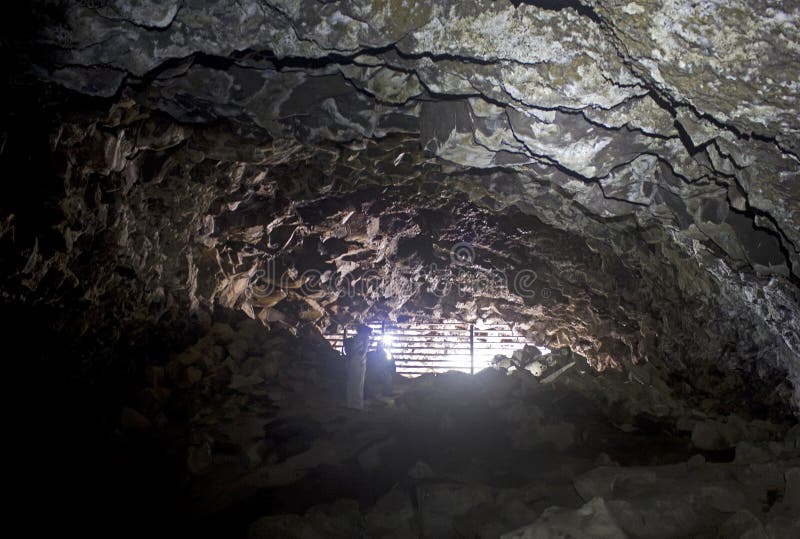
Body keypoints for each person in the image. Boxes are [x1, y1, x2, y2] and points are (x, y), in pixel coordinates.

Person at [344, 324, 372, 410]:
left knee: (352, 382)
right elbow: (362, 352)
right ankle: (357, 404)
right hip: (358, 362)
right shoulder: (363, 339)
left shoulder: (356, 338)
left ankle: (351, 402)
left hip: (352, 361)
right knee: (358, 382)